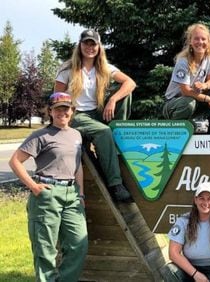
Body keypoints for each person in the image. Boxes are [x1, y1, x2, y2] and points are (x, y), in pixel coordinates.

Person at [9, 92, 88, 281]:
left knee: (79, 244)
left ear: (72, 111)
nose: (62, 112)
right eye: (58, 109)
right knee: (45, 249)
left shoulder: (76, 135)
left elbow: (77, 167)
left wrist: (81, 195)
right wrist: (34, 187)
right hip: (47, 195)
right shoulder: (41, 135)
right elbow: (15, 161)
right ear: (50, 112)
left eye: (66, 108)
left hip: (72, 195)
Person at [54, 29, 136, 203]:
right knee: (104, 132)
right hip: (75, 115)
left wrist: (113, 99)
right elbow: (56, 99)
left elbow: (130, 83)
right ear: (80, 45)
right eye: (86, 43)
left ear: (99, 47)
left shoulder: (103, 67)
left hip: (95, 113)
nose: (90, 47)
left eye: (93, 44)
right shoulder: (68, 69)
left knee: (125, 94)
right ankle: (116, 185)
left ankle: (118, 139)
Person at [166, 182, 210, 282]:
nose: (205, 202)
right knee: (170, 270)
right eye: (201, 198)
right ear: (195, 200)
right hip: (190, 267)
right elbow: (173, 253)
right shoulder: (183, 221)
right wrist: (195, 274)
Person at [162, 23, 210, 134]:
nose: (200, 42)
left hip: (194, 101)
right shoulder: (183, 61)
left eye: (203, 39)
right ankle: (178, 127)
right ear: (190, 42)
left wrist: (204, 85)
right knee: (188, 102)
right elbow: (185, 91)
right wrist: (208, 99)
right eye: (196, 39)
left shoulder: (209, 57)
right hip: (175, 104)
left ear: (208, 42)